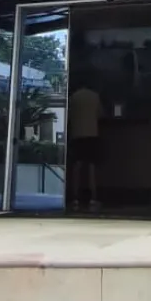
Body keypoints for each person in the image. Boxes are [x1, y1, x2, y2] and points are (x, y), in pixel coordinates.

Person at [67, 73, 103, 212]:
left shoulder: (73, 97)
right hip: (92, 133)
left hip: (77, 134)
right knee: (91, 167)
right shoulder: (95, 96)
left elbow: (69, 114)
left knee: (77, 167)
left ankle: (75, 198)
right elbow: (100, 113)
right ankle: (93, 197)